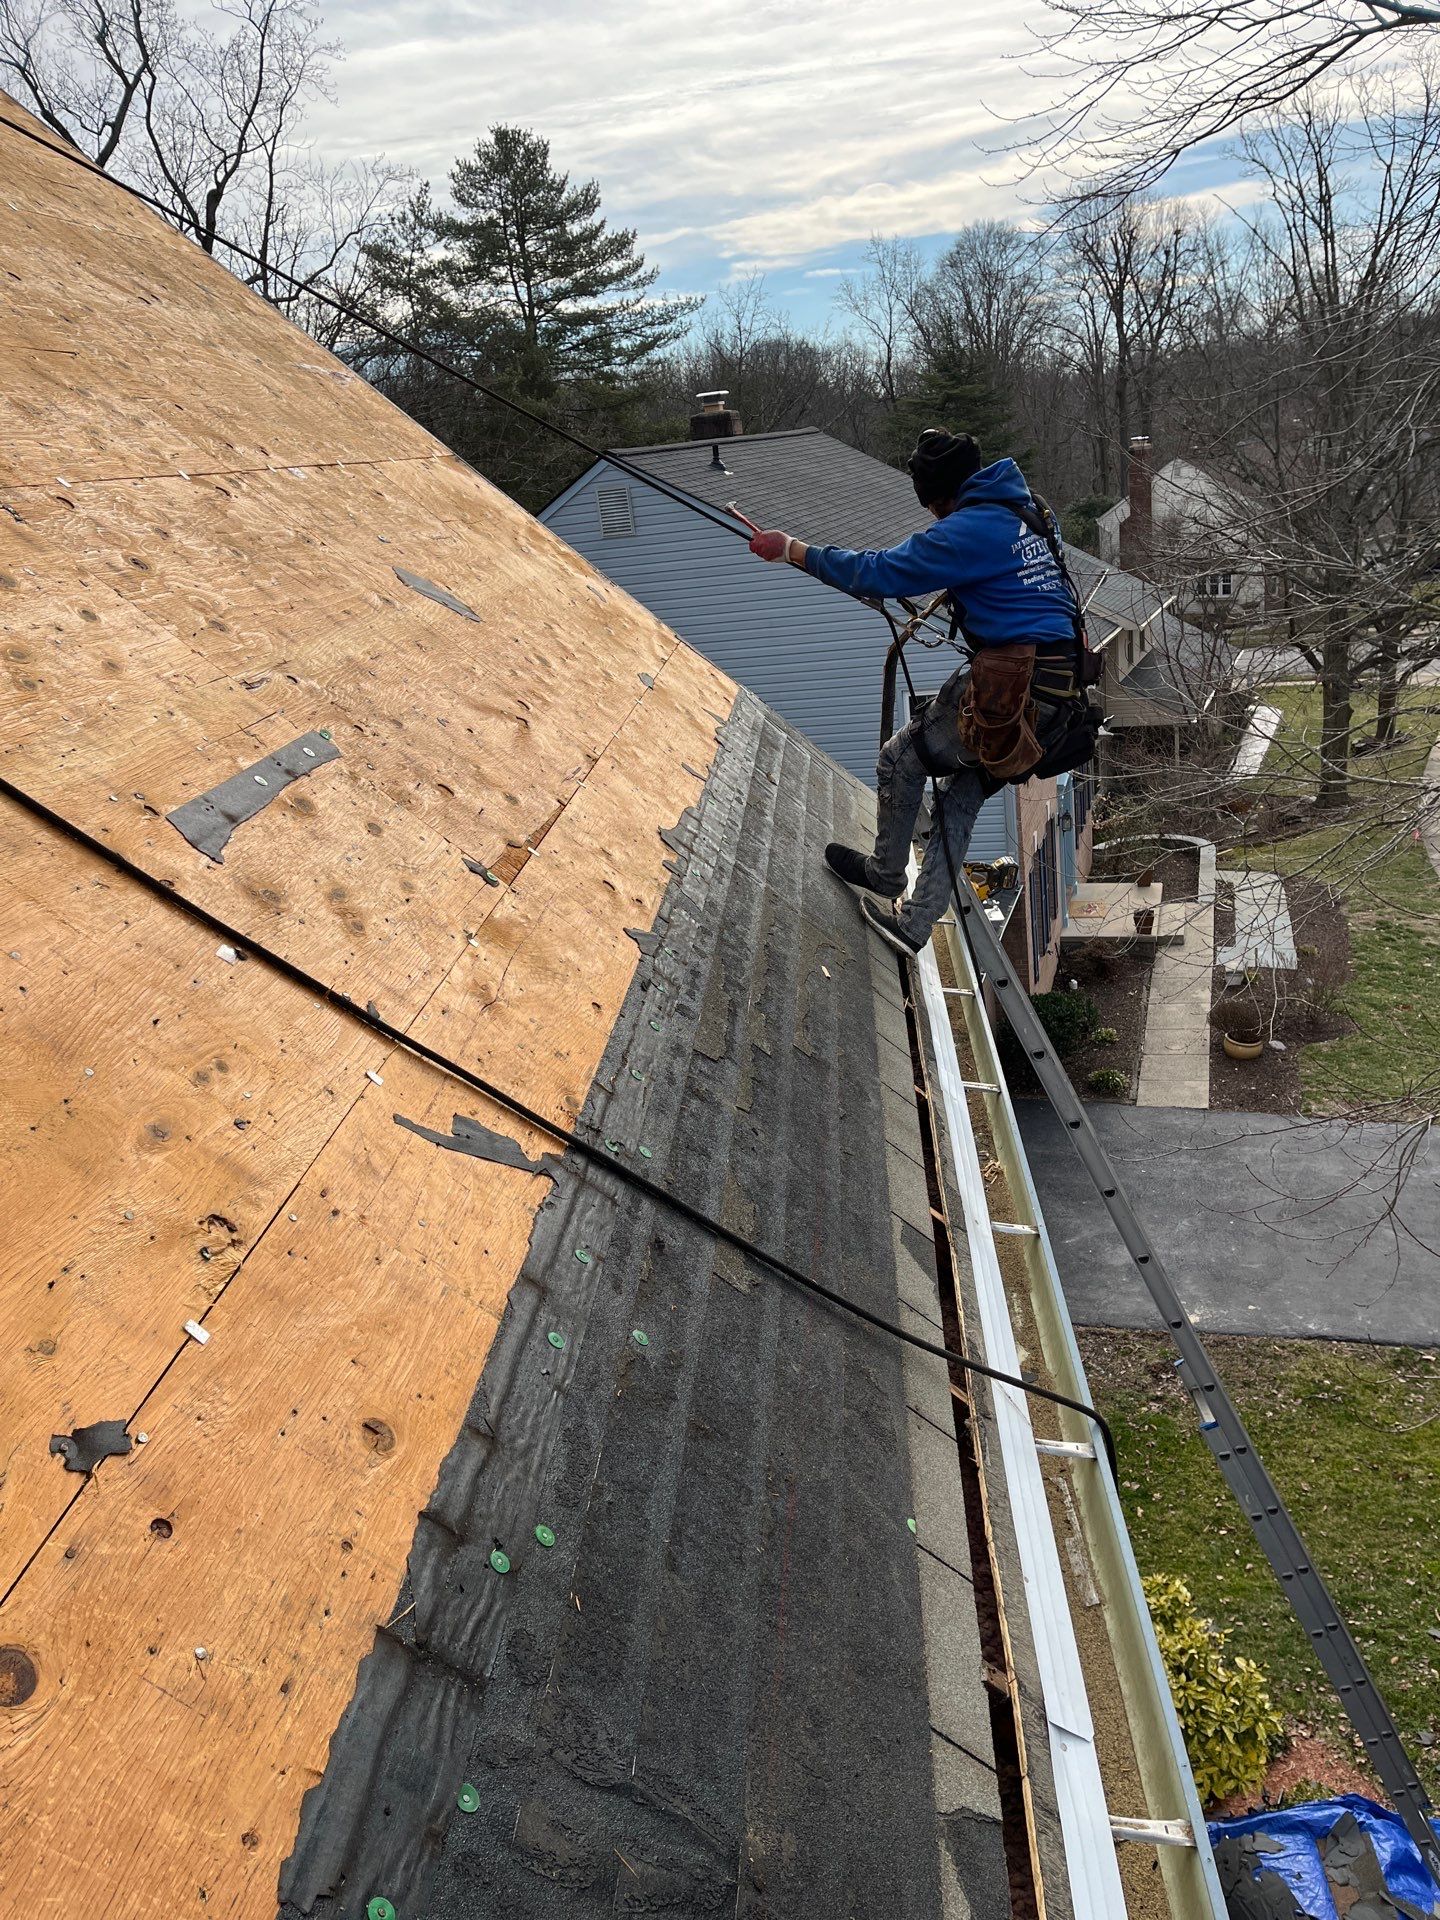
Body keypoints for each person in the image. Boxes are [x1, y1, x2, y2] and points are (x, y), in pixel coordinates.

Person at [747, 429, 1082, 957]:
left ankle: (885, 875)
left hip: (1013, 695)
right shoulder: (1028, 509)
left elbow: (878, 572)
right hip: (1060, 699)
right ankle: (914, 925)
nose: (934, 517)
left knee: (900, 760)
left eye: (931, 506)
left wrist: (791, 550)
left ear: (940, 496)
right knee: (963, 795)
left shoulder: (966, 531)